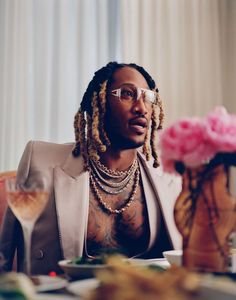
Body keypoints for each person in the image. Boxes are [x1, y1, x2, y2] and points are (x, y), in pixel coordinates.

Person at [0, 62, 182, 275]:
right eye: (127, 94)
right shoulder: (39, 160)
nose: (141, 107)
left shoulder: (168, 175)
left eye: (148, 97)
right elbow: (3, 254)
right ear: (100, 102)